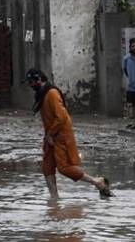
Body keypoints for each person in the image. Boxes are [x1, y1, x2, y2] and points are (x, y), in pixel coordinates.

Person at [25, 69, 111, 200]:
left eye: (31, 82)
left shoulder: (52, 93)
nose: (30, 85)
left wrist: (51, 134)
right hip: (51, 136)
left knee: (64, 168)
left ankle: (97, 181)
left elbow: (62, 117)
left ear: (39, 80)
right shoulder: (42, 94)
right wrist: (49, 135)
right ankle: (54, 199)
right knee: (47, 168)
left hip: (61, 136)